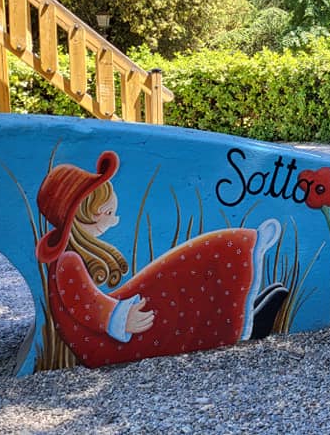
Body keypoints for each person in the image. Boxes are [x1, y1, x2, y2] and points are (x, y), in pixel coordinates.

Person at [35, 150, 288, 368]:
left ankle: (240, 297)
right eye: (108, 213)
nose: (115, 220)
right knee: (172, 291)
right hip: (106, 344)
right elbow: (86, 304)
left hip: (110, 331)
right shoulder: (68, 260)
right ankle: (239, 314)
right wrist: (120, 317)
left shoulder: (69, 257)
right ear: (85, 215)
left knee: (171, 276)